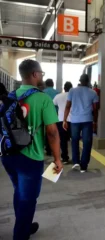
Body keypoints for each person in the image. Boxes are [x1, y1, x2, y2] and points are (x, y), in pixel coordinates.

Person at [1, 59, 63, 240]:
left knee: (19, 191)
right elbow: (52, 133)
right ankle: (20, 234)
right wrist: (57, 159)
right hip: (31, 157)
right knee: (28, 199)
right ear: (35, 74)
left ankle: (25, 225)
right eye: (41, 74)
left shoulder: (10, 96)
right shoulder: (43, 98)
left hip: (8, 155)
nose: (41, 77)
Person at [63, 74, 99, 173]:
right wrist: (95, 121)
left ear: (79, 80)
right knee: (87, 142)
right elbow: (95, 109)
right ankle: (84, 166)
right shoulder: (93, 93)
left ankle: (76, 161)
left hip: (74, 120)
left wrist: (65, 120)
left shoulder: (72, 91)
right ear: (88, 81)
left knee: (74, 140)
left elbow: (67, 106)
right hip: (87, 120)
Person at [53, 82, 73, 164]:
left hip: (61, 120)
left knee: (63, 140)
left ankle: (65, 158)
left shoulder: (58, 96)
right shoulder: (73, 96)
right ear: (71, 88)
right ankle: (75, 159)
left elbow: (53, 104)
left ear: (64, 88)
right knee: (74, 140)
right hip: (73, 120)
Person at [43, 79, 59, 156]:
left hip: (45, 115)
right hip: (55, 115)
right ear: (53, 84)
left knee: (46, 132)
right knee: (54, 132)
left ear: (46, 84)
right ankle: (54, 149)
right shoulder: (57, 92)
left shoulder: (42, 93)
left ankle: (48, 149)